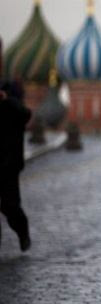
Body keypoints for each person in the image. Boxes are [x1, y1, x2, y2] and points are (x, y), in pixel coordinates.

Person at [0, 81, 32, 252]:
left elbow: (25, 113)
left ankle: (23, 232)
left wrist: (7, 100)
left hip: (9, 167)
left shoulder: (14, 109)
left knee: (9, 206)